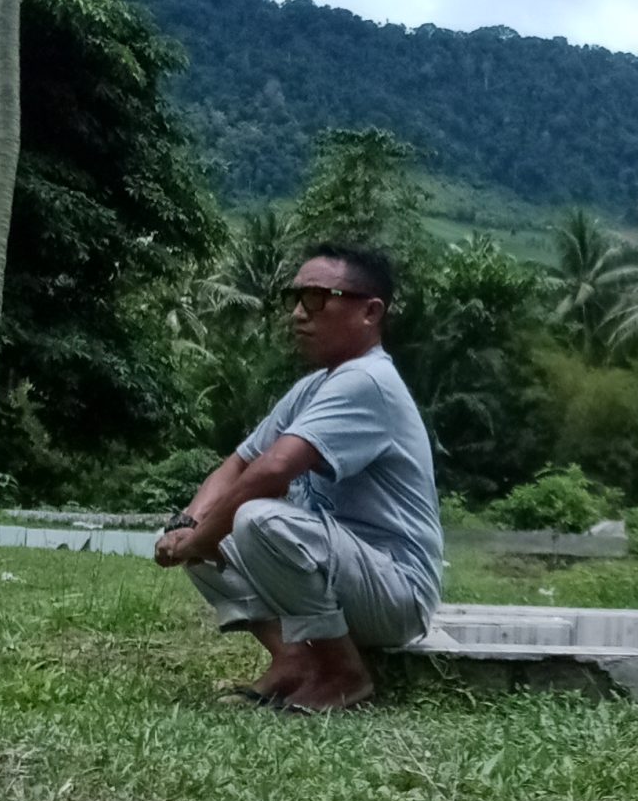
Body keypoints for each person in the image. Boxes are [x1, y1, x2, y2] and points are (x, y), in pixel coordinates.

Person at [154, 245, 443, 712]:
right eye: (295, 298)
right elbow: (238, 464)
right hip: (341, 574)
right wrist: (186, 525)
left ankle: (343, 674)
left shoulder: (368, 381)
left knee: (255, 519)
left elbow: (274, 469)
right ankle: (293, 659)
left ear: (370, 312)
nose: (297, 314)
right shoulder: (315, 386)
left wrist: (201, 537)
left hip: (397, 592)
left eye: (315, 298)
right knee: (201, 526)